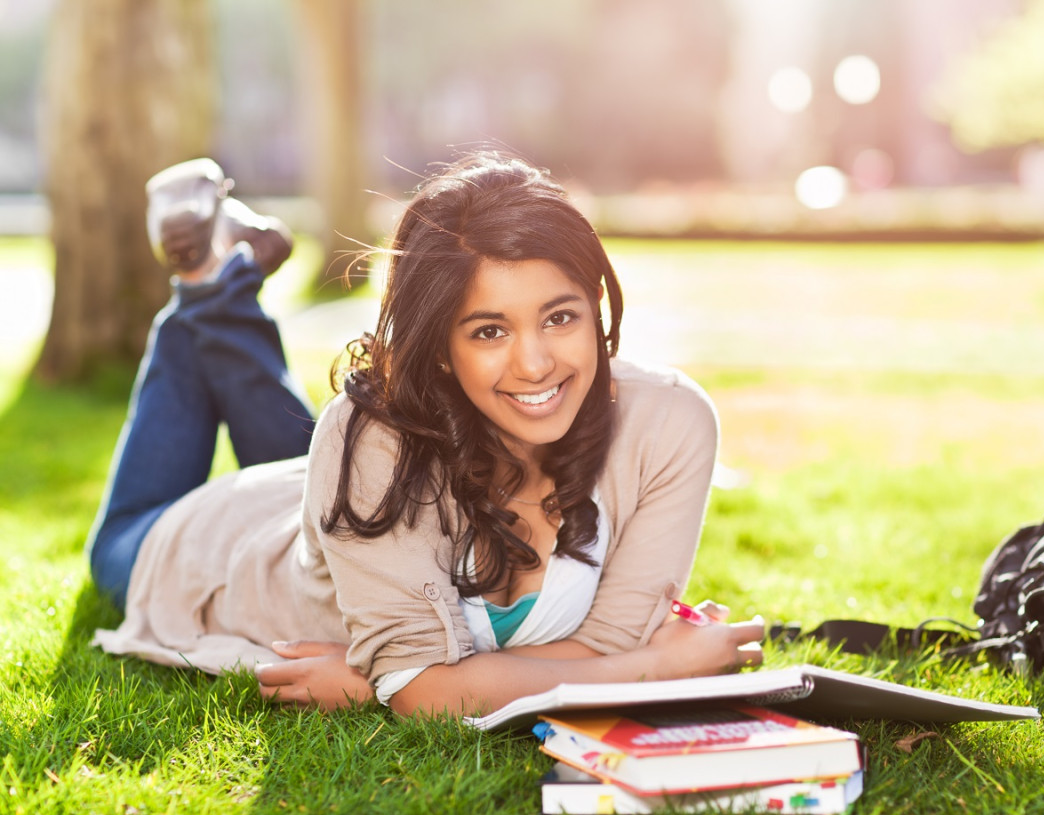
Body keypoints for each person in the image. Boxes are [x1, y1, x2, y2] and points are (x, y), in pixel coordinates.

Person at [89, 152, 764, 717]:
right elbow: (429, 689)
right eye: (490, 331)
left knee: (342, 449)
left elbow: (602, 646)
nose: (536, 363)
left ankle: (219, 278)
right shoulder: (368, 443)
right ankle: (205, 284)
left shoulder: (670, 422)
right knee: (122, 539)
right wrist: (658, 668)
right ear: (439, 347)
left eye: (560, 317)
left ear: (594, 306)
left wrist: (430, 681)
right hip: (211, 546)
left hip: (354, 505)